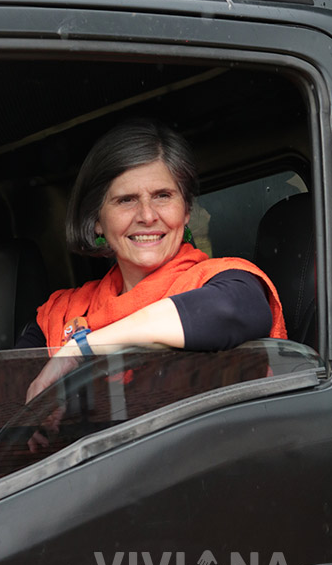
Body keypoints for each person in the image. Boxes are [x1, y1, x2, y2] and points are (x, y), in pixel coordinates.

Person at [17, 118, 287, 402]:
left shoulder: (225, 281)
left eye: (162, 196)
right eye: (126, 200)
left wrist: (80, 349)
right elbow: (4, 393)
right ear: (97, 220)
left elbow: (231, 311)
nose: (147, 216)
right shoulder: (64, 313)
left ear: (186, 210)